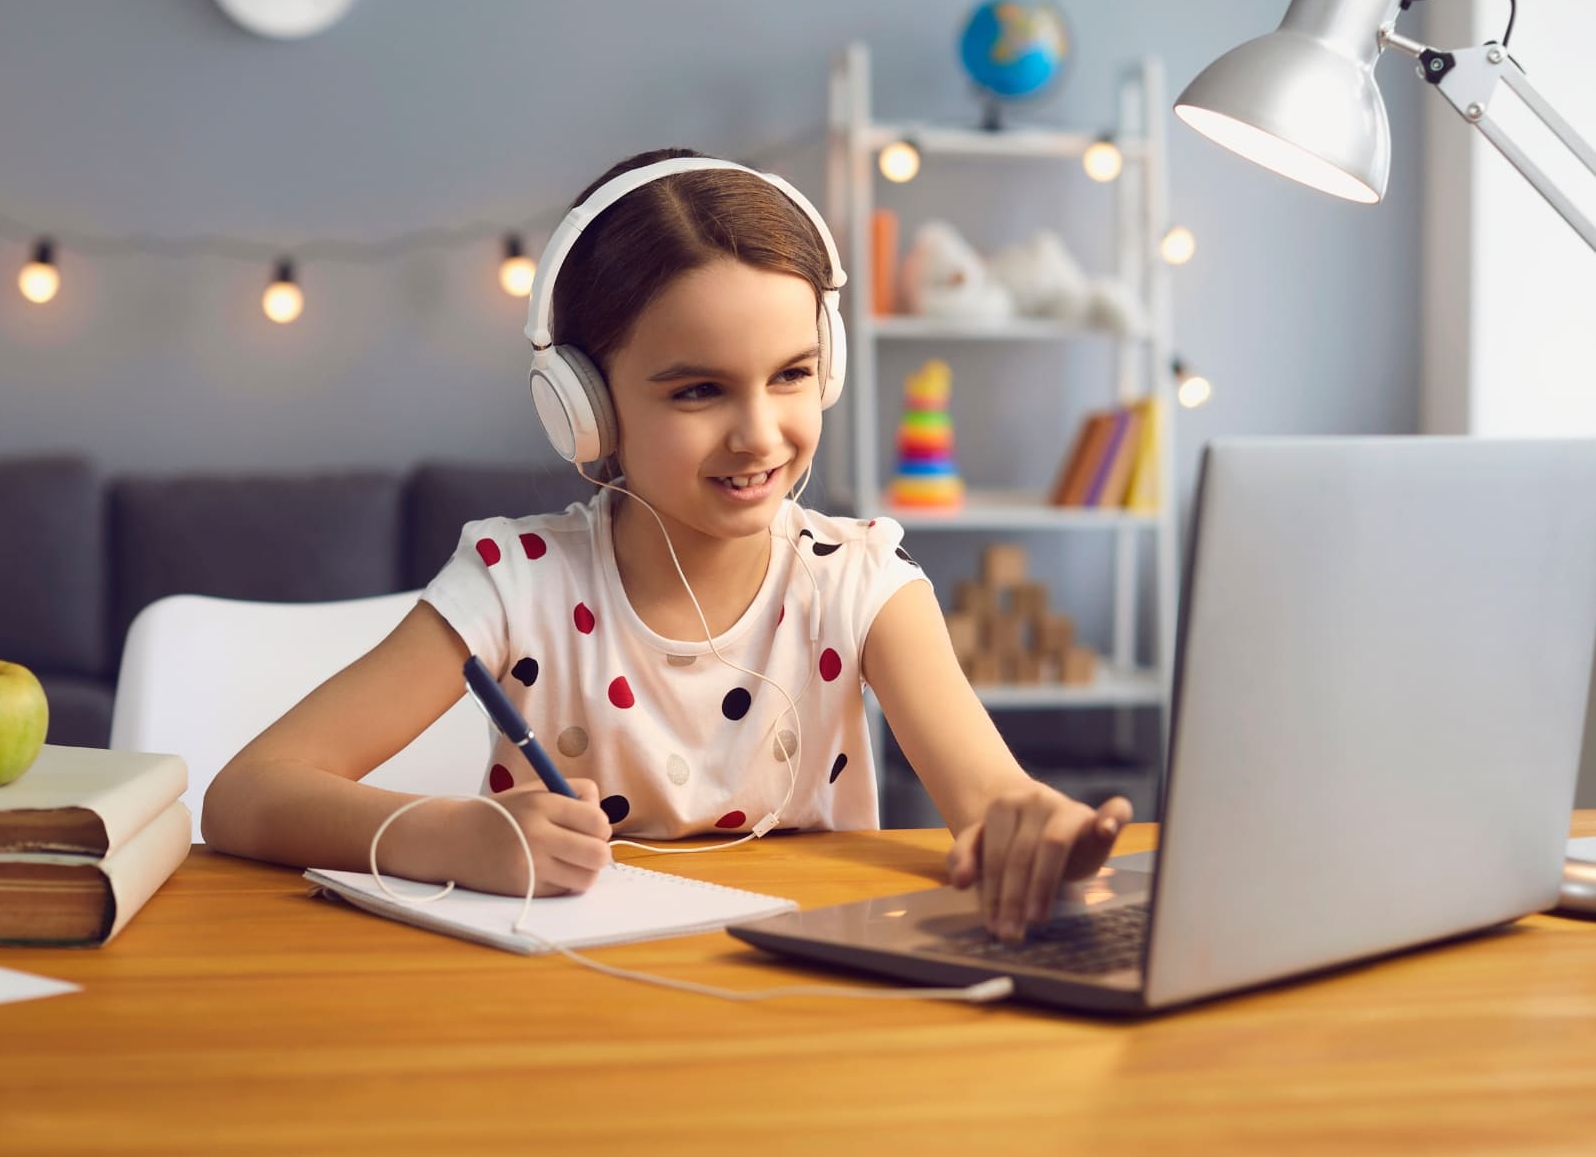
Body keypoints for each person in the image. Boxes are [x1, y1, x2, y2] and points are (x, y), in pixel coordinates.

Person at [201, 148, 1132, 944]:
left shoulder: (862, 583)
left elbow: (995, 796)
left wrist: (1032, 827)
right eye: (698, 392)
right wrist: (445, 836)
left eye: (793, 375)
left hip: (796, 990)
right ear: (585, 407)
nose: (759, 434)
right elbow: (244, 795)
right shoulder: (514, 584)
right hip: (562, 994)